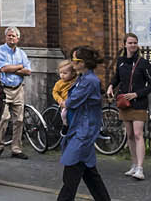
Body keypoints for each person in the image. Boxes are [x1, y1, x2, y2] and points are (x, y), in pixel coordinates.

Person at [57, 46, 112, 201]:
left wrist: (64, 102)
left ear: (84, 62)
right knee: (90, 174)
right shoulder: (83, 78)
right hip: (80, 128)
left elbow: (72, 101)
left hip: (83, 131)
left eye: (75, 60)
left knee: (71, 175)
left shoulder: (89, 81)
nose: (72, 63)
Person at [108, 33, 151, 180]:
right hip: (124, 103)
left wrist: (137, 94)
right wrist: (110, 86)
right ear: (125, 45)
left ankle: (140, 168)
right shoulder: (121, 61)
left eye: (135, 43)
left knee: (137, 134)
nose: (133, 45)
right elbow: (117, 77)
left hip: (139, 103)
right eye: (130, 43)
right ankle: (133, 164)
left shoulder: (143, 63)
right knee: (129, 135)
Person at [0, 26, 32, 159]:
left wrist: (14, 69)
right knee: (3, 119)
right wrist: (20, 66)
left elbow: (28, 71)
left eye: (13, 36)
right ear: (6, 37)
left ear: (18, 38)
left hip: (18, 89)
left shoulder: (22, 53)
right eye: (9, 35)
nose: (11, 37)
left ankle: (16, 149)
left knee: (19, 120)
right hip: (4, 89)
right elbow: (3, 68)